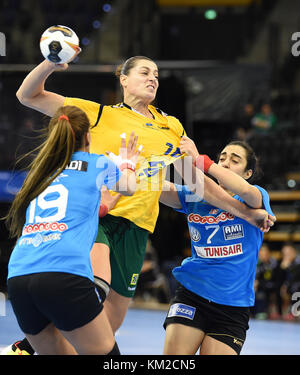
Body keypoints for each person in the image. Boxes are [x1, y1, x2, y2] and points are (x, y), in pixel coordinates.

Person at [4, 54, 275, 355]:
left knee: (110, 323)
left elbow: (199, 186)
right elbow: (27, 95)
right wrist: (52, 63)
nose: (153, 78)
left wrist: (246, 213)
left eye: (157, 74)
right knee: (94, 290)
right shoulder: (99, 114)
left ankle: (42, 344)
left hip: (137, 228)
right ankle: (28, 345)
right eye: (145, 72)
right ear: (123, 79)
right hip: (99, 217)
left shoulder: (171, 127)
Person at [4, 105, 141, 355]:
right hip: (63, 274)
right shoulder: (96, 162)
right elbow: (129, 187)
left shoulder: (41, 171)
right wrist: (127, 164)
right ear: (87, 136)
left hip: (19, 277)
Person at [159, 137, 275, 355]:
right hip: (192, 294)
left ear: (248, 173)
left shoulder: (255, 196)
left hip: (233, 306)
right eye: (222, 158)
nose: (225, 163)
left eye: (234, 160)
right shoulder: (195, 195)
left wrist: (202, 162)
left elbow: (247, 192)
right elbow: (154, 187)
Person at [253, 243, 284, 320]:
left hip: (274, 285)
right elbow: (256, 278)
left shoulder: (275, 264)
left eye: (265, 252)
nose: (263, 255)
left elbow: (278, 279)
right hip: (262, 286)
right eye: (261, 253)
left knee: (263, 292)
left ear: (269, 253)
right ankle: (254, 312)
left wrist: (259, 283)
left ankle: (273, 312)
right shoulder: (257, 264)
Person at [280, 242, 300, 321]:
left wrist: (289, 267)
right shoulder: (287, 263)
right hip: (293, 285)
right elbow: (284, 279)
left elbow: (296, 277)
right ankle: (290, 311)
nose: (286, 256)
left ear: (294, 252)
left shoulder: (298, 261)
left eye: (288, 253)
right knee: (284, 288)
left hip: (297, 286)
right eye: (284, 254)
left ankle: (296, 311)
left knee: (294, 287)